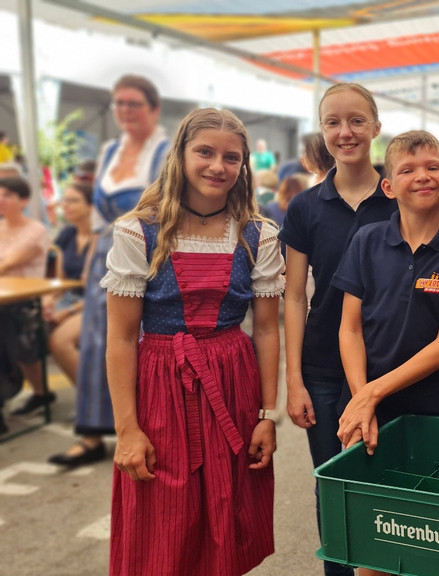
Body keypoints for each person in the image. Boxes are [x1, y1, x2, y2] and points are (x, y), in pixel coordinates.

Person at [103, 107, 283, 576]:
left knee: (226, 516)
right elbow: (121, 338)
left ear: (243, 166)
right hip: (162, 383)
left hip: (232, 381)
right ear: (179, 154)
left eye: (231, 157)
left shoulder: (257, 235)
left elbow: (265, 329)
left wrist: (267, 415)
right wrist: (127, 430)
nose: (217, 166)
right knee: (161, 523)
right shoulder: (136, 230)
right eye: (204, 152)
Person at [278, 82, 396, 576]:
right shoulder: (306, 208)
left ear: (375, 126)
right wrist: (295, 380)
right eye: (333, 123)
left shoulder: (400, 190)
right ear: (322, 131)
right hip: (325, 368)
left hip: (393, 365)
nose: (345, 132)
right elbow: (293, 295)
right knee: (333, 482)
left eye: (355, 121)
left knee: (390, 484)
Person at [334, 131, 439, 463]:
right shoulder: (366, 241)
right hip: (366, 408)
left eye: (432, 167)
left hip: (432, 411)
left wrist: (371, 394)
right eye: (407, 170)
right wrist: (363, 399)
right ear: (388, 187)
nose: (421, 176)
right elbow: (350, 329)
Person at [50, 74, 169, 468]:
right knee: (97, 344)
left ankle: (144, 427)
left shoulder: (165, 151)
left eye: (133, 103)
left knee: (139, 342)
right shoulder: (109, 150)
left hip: (148, 254)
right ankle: (91, 434)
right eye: (118, 103)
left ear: (153, 108)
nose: (124, 111)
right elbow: (100, 219)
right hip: (104, 252)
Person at [0, 176, 52, 431]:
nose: (0, 199)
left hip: (24, 302)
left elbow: (7, 263)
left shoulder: (36, 230)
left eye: (7, 195)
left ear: (23, 200)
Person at [43, 182, 93, 384]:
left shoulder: (106, 238)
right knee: (23, 326)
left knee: (60, 342)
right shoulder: (67, 234)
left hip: (95, 302)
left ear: (91, 206)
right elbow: (60, 281)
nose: (66, 205)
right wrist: (48, 298)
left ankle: (93, 402)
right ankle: (39, 393)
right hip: (70, 298)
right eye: (65, 200)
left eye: (73, 201)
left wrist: (68, 312)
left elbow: (102, 290)